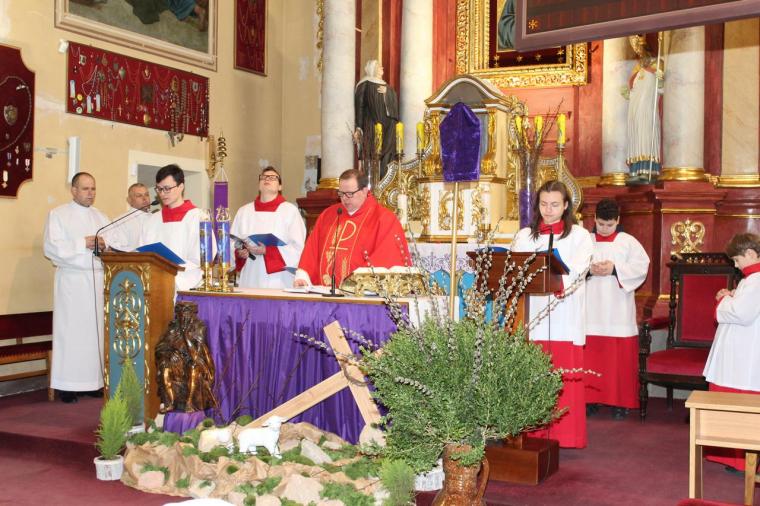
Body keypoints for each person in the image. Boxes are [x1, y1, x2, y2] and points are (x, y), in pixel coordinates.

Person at [511, 180, 593, 448]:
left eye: (555, 205)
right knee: (532, 374)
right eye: (544, 204)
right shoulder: (525, 236)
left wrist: (558, 283)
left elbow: (579, 270)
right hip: (532, 314)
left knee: (562, 375)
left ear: (566, 205)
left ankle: (565, 436)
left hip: (563, 314)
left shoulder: (580, 236)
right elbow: (514, 268)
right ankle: (531, 433)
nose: (549, 210)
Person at [43, 172, 115, 403]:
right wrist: (82, 243)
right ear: (73, 190)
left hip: (97, 280)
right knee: (71, 333)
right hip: (72, 282)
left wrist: (105, 245)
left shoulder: (101, 216)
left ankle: (92, 383)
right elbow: (51, 248)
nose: (90, 193)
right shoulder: (58, 214)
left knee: (94, 334)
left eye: (93, 189)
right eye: (85, 189)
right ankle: (67, 386)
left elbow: (113, 245)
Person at [585, 198, 650, 420]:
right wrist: (589, 270)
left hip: (618, 308)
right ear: (594, 219)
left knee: (619, 360)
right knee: (592, 357)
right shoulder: (585, 241)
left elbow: (641, 267)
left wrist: (614, 269)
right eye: (601, 224)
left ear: (618, 220)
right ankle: (590, 399)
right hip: (591, 307)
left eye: (609, 225)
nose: (604, 229)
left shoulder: (628, 242)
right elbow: (571, 266)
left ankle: (621, 402)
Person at [703, 233, 760, 472]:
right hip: (741, 348)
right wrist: (731, 296)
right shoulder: (751, 279)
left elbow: (741, 314)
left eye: (737, 260)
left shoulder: (756, 280)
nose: (735, 265)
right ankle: (736, 458)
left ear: (751, 253)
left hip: (746, 353)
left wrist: (724, 300)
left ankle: (744, 461)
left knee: (741, 402)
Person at [295, 169, 410, 288]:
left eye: (350, 194)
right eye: (341, 194)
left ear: (364, 191)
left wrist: (357, 283)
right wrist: (303, 276)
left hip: (361, 294)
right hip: (325, 292)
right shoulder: (328, 215)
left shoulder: (384, 219)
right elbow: (311, 250)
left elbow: (387, 258)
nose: (345, 198)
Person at [231, 166, 306, 289]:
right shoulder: (244, 212)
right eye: (264, 177)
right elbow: (232, 244)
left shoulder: (290, 211)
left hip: (278, 280)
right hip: (250, 277)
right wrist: (240, 253)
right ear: (259, 185)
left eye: (272, 178)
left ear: (280, 186)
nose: (267, 179)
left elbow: (298, 249)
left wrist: (267, 251)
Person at [140, 164, 210, 292]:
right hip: (154, 283)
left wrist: (169, 267)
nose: (162, 193)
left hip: (186, 284)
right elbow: (142, 254)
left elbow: (202, 257)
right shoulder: (152, 220)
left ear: (181, 186)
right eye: (159, 189)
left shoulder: (198, 217)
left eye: (167, 188)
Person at [624, 34, 664, 184]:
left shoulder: (658, 63)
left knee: (647, 135)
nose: (640, 54)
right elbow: (633, 88)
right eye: (637, 51)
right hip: (635, 110)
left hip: (648, 108)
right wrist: (628, 93)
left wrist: (660, 80)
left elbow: (662, 89)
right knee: (636, 137)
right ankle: (635, 171)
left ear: (647, 49)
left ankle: (649, 171)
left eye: (641, 50)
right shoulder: (637, 68)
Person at [354, 60, 399, 182]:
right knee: (373, 153)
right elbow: (360, 106)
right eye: (379, 66)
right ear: (372, 69)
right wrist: (358, 127)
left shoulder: (387, 86)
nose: (382, 67)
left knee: (388, 154)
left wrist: (387, 93)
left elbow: (394, 101)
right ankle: (375, 181)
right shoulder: (365, 84)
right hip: (372, 124)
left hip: (389, 125)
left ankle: (387, 181)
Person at [111, 183, 153, 251]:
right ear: (129, 200)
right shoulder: (121, 221)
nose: (145, 198)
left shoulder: (155, 218)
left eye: (147, 195)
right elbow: (120, 247)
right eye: (139, 196)